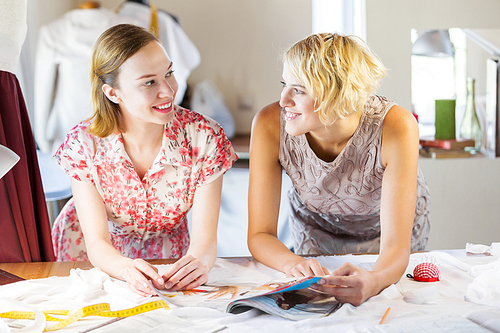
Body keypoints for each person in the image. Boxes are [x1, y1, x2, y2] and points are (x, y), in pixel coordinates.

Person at [52, 24, 237, 296]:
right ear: (112, 93)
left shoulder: (204, 137)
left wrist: (199, 262)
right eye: (149, 82)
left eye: (169, 73)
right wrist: (124, 269)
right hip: (95, 261)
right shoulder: (84, 144)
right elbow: (97, 243)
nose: (168, 91)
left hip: (169, 259)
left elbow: (205, 241)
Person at [248, 33, 430, 306]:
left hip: (386, 234)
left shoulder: (397, 126)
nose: (283, 100)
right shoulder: (268, 123)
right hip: (316, 227)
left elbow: (396, 248)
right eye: (284, 84)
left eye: (299, 90)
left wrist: (374, 280)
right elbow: (259, 234)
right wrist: (293, 263)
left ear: (337, 94)